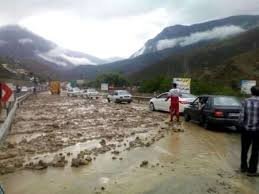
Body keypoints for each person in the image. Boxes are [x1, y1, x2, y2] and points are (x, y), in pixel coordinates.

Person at [239, 86, 259, 176]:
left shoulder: (245, 101)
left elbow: (241, 117)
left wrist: (241, 126)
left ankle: (243, 167)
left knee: (244, 149)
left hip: (246, 130)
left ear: (251, 92)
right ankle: (252, 171)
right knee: (255, 151)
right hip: (257, 131)